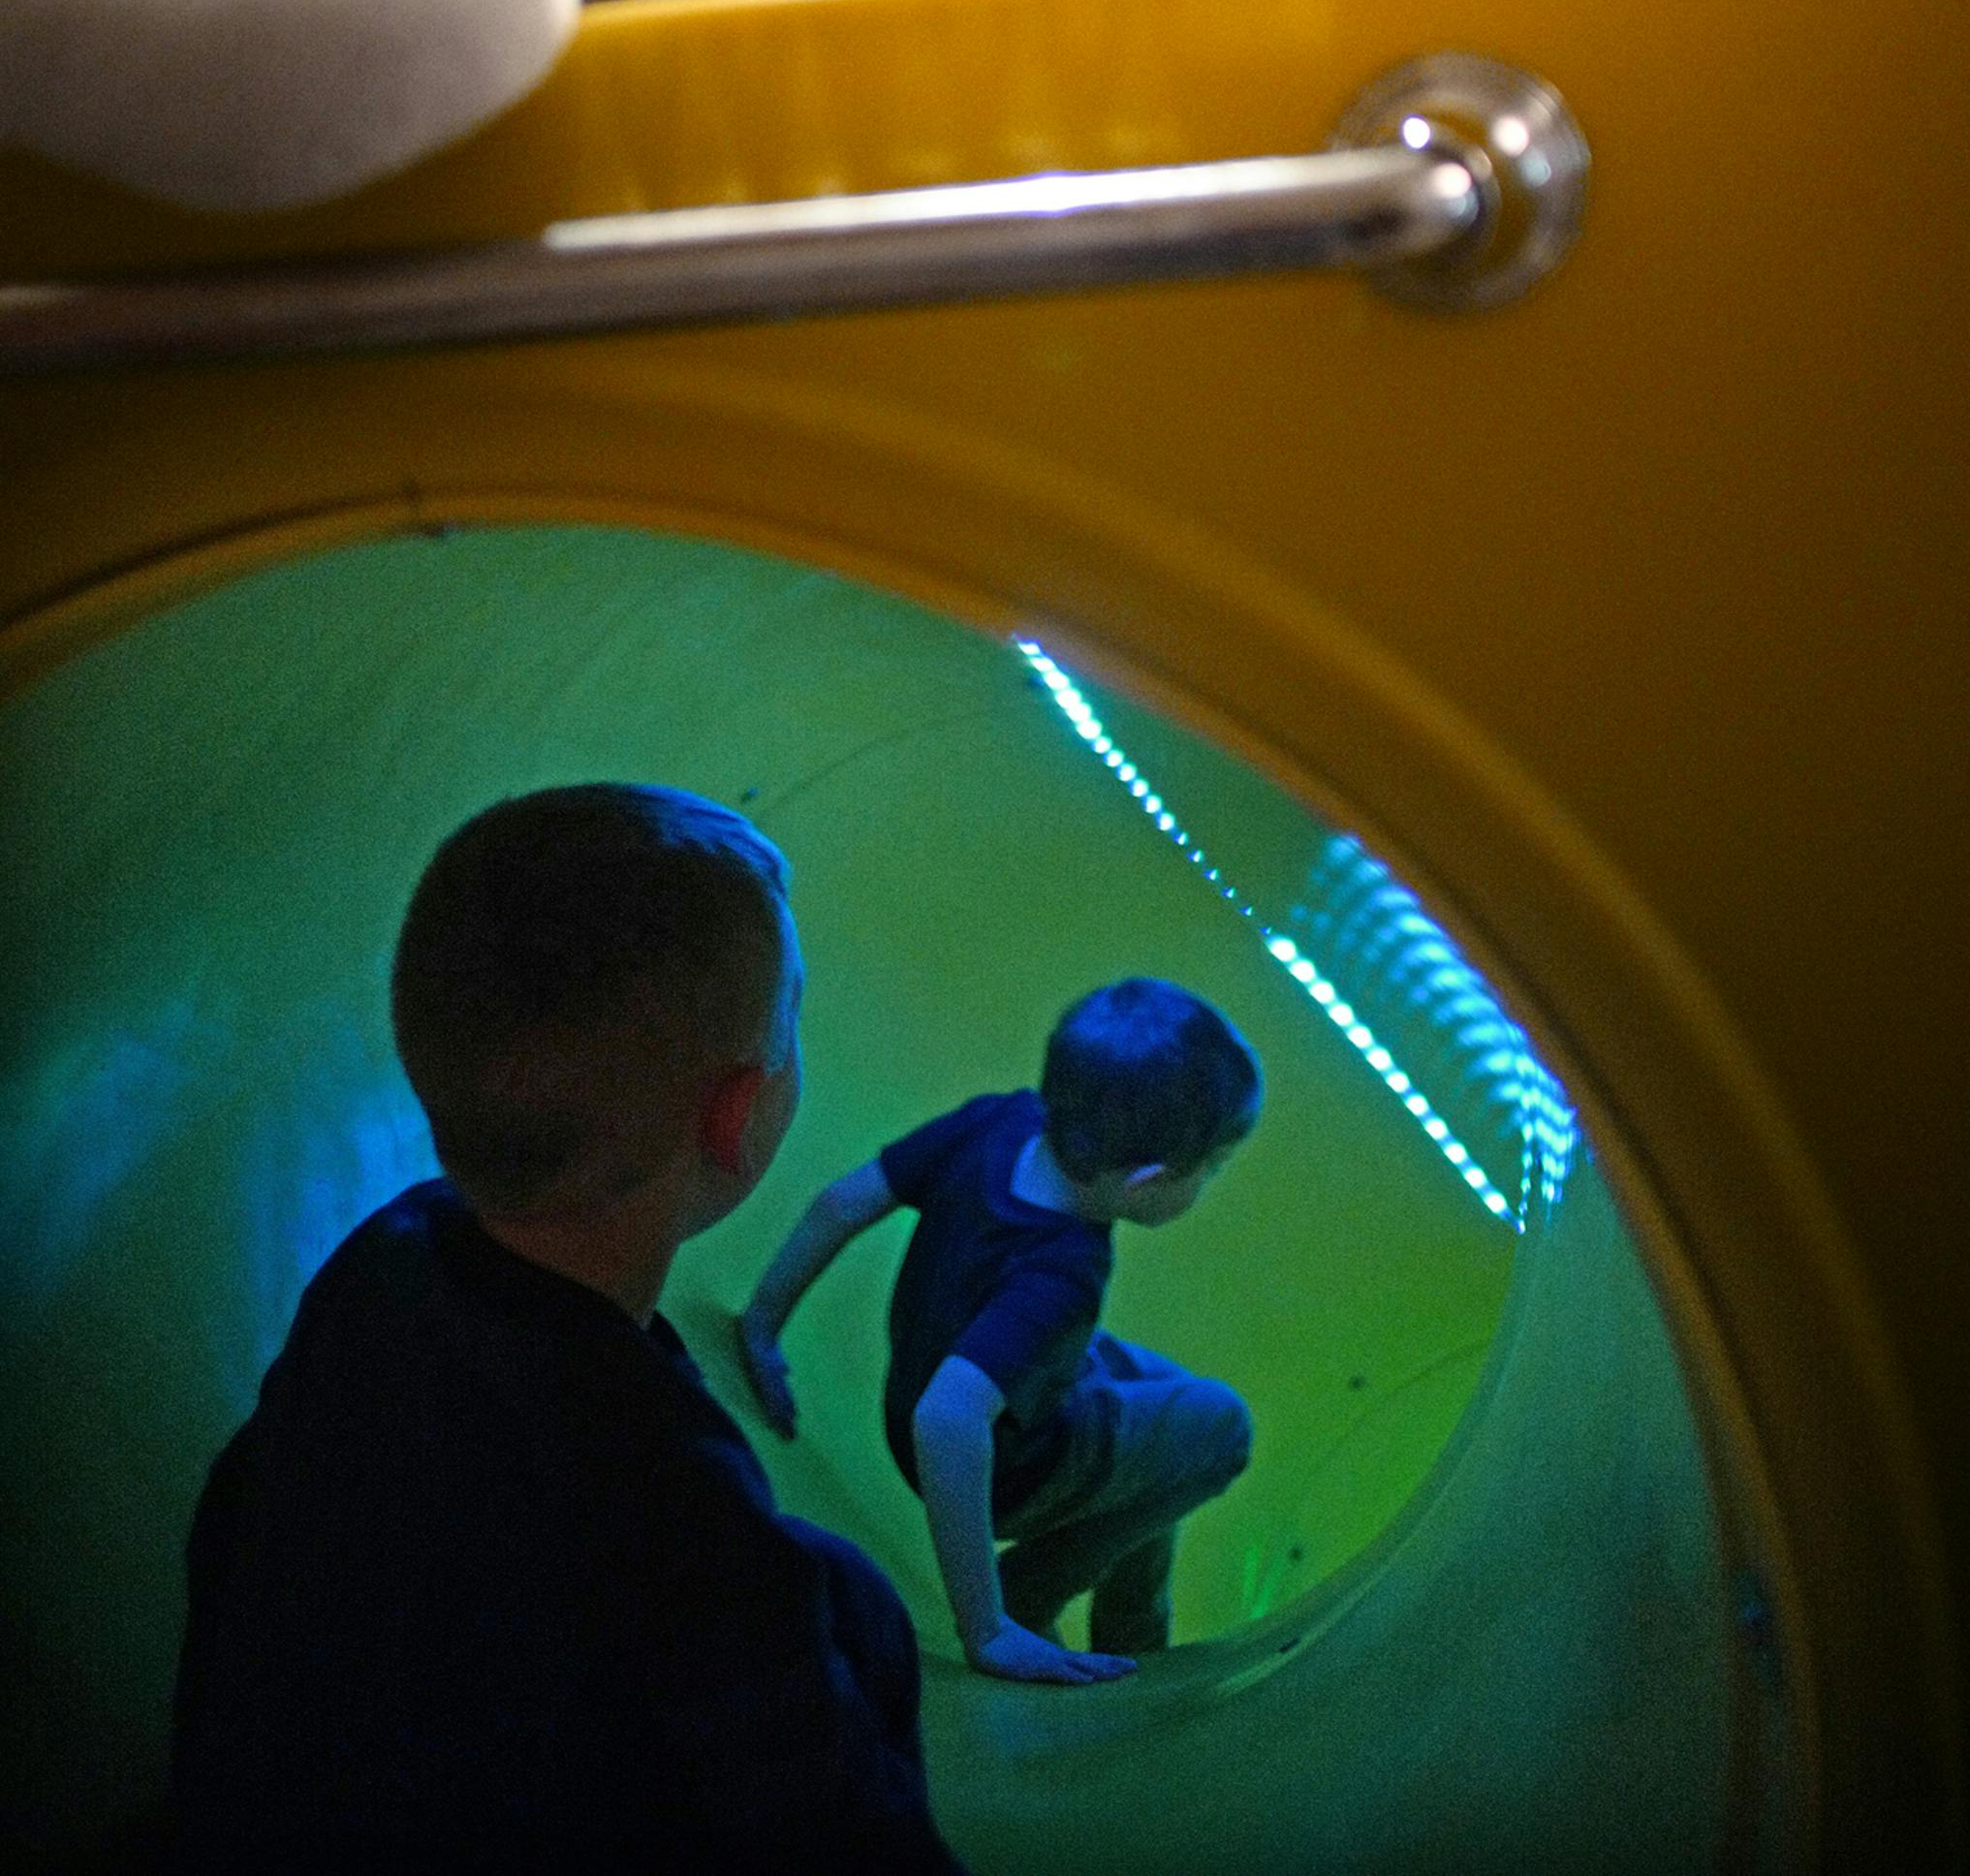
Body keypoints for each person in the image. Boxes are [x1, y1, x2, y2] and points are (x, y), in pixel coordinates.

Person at [171, 784, 966, 1874]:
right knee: (861, 1616)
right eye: (794, 1019)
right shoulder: (673, 1498)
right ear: (732, 1119)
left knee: (843, 1587)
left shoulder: (384, 1258)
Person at [737, 979, 1260, 1688]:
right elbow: (949, 1418)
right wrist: (985, 1629)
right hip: (1017, 1470)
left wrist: (763, 1325)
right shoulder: (1062, 1272)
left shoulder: (1003, 1119)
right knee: (1222, 1429)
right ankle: (1031, 1592)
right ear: (1147, 1181)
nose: (1209, 1183)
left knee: (1172, 1411)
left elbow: (841, 1203)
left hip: (984, 1378)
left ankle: (1136, 1636)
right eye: (1212, 1170)